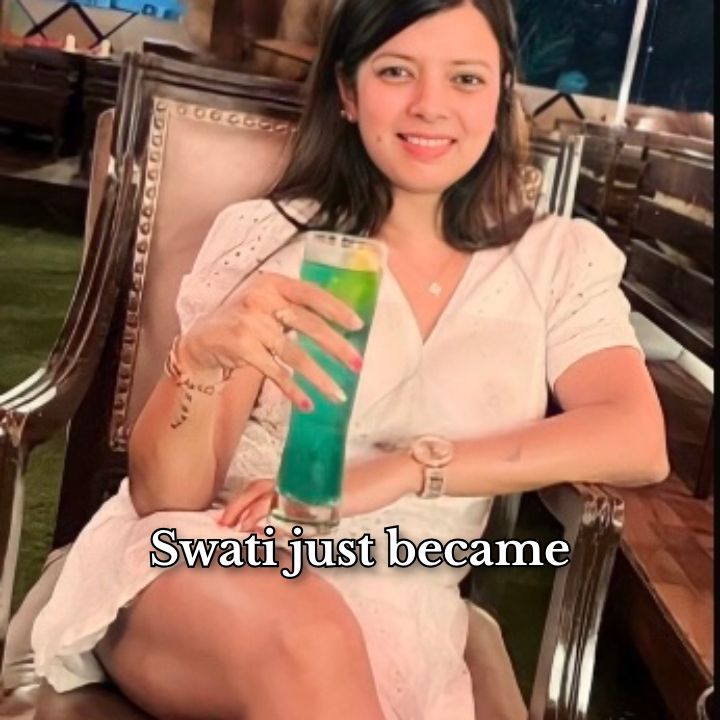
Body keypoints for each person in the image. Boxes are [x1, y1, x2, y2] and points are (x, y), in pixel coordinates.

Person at [31, 1, 669, 718]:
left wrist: (407, 469)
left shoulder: (557, 259)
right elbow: (167, 500)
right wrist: (198, 366)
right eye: (396, 72)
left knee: (328, 651)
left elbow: (636, 439)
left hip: (405, 600)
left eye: (465, 78)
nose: (430, 105)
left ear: (500, 95)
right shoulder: (270, 237)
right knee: (312, 636)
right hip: (215, 566)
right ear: (347, 90)